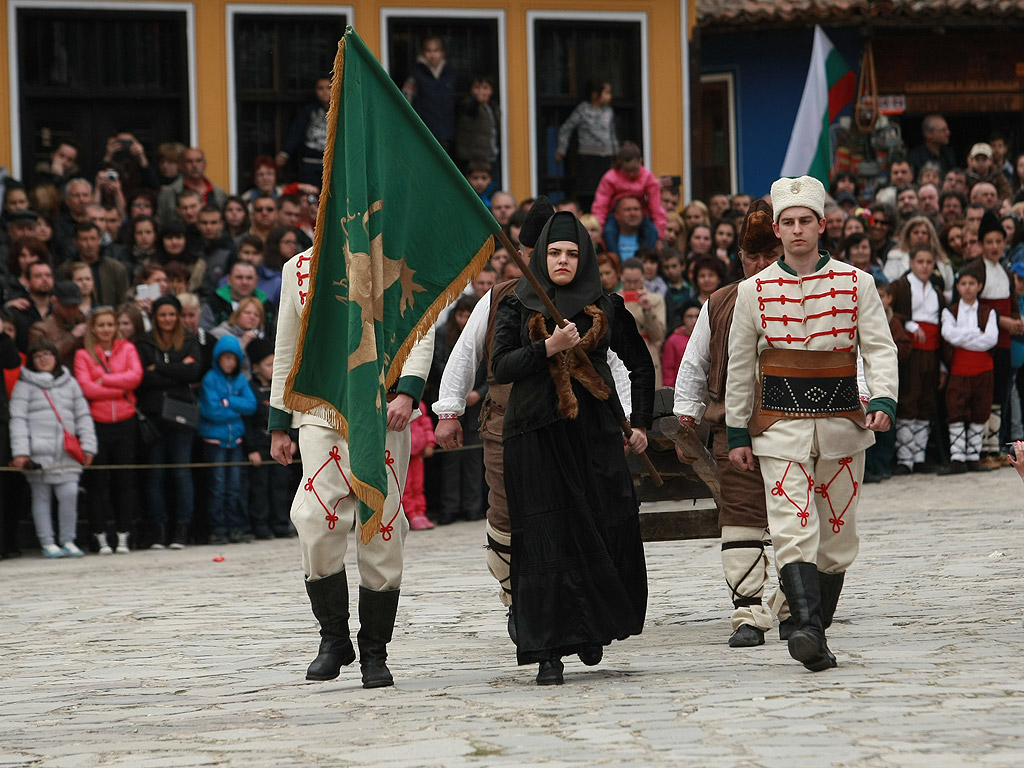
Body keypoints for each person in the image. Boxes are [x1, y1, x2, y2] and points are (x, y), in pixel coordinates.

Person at [726, 175, 898, 672]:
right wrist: (739, 432)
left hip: (844, 422)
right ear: (776, 229)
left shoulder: (856, 282)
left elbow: (879, 348)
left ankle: (813, 628)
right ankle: (805, 628)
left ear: (822, 224)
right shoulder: (751, 291)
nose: (797, 230)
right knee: (791, 526)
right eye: (788, 222)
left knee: (838, 538)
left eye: (806, 221)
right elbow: (741, 368)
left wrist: (883, 397)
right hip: (779, 425)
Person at [491, 211, 654, 685]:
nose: (562, 261)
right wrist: (549, 347)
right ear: (541, 256)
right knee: (547, 538)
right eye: (555, 253)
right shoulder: (518, 302)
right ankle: (548, 651)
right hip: (535, 435)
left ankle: (591, 629)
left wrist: (639, 423)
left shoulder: (606, 304)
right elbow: (501, 367)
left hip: (595, 435)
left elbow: (640, 367)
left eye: (572, 254)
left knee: (605, 524)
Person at [269, 248, 434, 689]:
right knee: (313, 517)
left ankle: (374, 652)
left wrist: (409, 390)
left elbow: (419, 322)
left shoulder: (390, 252)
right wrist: (278, 423)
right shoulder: (299, 268)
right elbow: (288, 344)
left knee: (381, 524)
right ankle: (333, 638)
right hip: (319, 409)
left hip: (381, 407)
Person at [674, 199, 788, 646]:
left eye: (769, 256)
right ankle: (746, 614)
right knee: (740, 518)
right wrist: (686, 422)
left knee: (795, 519)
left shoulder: (808, 295)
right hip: (732, 432)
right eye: (753, 257)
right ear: (740, 257)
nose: (761, 266)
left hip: (795, 428)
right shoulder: (719, 302)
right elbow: (693, 365)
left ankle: (793, 606)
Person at [10, 337, 97, 557]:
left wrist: (88, 447)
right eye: (38, 356)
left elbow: (83, 416)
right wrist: (21, 453)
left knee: (69, 495)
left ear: (55, 357)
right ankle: (47, 542)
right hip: (38, 454)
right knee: (41, 498)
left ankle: (68, 540)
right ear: (32, 360)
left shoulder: (70, 382)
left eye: (47, 354)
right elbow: (17, 419)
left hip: (67, 452)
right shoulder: (24, 384)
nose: (43, 359)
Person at [73, 306, 143, 554]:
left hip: (125, 420)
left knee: (124, 481)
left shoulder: (128, 349)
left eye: (110, 325)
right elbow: (87, 388)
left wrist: (105, 380)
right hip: (97, 422)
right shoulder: (83, 354)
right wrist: (119, 385)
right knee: (97, 482)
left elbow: (135, 377)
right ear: (93, 328)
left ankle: (123, 535)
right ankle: (99, 536)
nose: (106, 329)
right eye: (101, 325)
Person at [135, 295, 203, 549]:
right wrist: (177, 368)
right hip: (153, 414)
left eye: (172, 314)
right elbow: (143, 377)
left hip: (181, 414)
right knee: (156, 473)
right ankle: (158, 531)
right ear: (155, 317)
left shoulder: (189, 340)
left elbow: (194, 372)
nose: (167, 319)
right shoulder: (144, 342)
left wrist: (159, 368)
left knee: (181, 473)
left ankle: (182, 531)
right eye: (162, 314)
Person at [429, 294, 485, 525]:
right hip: (449, 404)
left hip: (477, 404)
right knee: (451, 458)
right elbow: (440, 367)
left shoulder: (484, 334)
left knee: (474, 457)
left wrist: (479, 392)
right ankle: (449, 508)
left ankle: (473, 507)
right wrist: (457, 392)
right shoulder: (443, 334)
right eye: (462, 314)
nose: (465, 320)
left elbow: (492, 369)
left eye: (470, 315)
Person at [939, 262, 999, 474]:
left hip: (983, 369)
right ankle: (957, 458)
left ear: (979, 286)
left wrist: (963, 335)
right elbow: (948, 335)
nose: (967, 287)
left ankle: (973, 456)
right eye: (963, 283)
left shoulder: (988, 312)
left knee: (980, 409)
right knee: (956, 409)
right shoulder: (950, 311)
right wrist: (976, 334)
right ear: (957, 287)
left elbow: (991, 339)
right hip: (959, 368)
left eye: (971, 283)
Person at [890, 246, 945, 475]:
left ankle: (919, 457)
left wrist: (942, 364)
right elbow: (888, 308)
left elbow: (942, 328)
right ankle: (905, 458)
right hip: (910, 353)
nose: (925, 266)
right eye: (920, 261)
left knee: (926, 402)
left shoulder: (937, 291)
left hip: (931, 353)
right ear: (911, 263)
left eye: (929, 262)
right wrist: (909, 324)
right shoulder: (901, 286)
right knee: (909, 400)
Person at [198, 334, 257, 544]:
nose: (229, 362)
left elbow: (251, 405)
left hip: (236, 442)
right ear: (217, 358)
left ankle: (234, 527)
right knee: (218, 487)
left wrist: (227, 401)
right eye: (225, 358)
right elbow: (211, 411)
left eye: (233, 358)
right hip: (215, 442)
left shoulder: (241, 379)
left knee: (234, 487)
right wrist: (235, 408)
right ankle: (218, 528)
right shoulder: (209, 379)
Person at [975, 211, 1024, 466]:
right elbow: (973, 307)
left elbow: (1013, 303)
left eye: (999, 242)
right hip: (983, 344)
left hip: (1004, 343)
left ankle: (994, 448)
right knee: (984, 394)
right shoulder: (975, 270)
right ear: (982, 244)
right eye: (990, 242)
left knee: (1000, 395)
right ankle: (982, 450)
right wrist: (1002, 321)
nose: (994, 247)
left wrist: (1016, 321)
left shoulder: (1005, 272)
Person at [243, 337, 295, 539]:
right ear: (255, 367)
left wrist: (295, 440)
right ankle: (261, 526)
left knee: (280, 485)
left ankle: (281, 524)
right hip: (260, 442)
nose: (273, 368)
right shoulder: (250, 388)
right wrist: (251, 449)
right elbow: (247, 422)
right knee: (260, 488)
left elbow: (294, 412)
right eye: (268, 365)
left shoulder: (282, 387)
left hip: (282, 442)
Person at [554, 80, 618, 211]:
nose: (610, 96)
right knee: (588, 191)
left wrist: (616, 153)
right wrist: (561, 150)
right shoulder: (583, 110)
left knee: (606, 190)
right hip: (588, 156)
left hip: (606, 156)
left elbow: (612, 134)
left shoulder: (609, 111)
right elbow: (566, 128)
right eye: (606, 92)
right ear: (595, 95)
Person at [591, 142, 667, 241]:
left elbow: (656, 206)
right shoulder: (610, 178)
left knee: (652, 231)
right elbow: (600, 206)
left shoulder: (647, 176)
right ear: (620, 166)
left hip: (640, 214)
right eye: (627, 171)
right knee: (609, 232)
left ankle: (648, 255)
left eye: (635, 170)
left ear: (641, 161)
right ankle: (615, 256)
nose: (631, 174)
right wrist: (598, 228)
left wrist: (660, 233)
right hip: (616, 215)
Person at [402, 37, 456, 153]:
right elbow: (405, 102)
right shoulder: (416, 75)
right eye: (429, 51)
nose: (432, 55)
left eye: (436, 51)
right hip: (424, 135)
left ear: (442, 53)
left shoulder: (450, 75)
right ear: (423, 53)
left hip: (447, 135)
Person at [619, 257, 666, 385]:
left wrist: (648, 310)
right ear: (621, 277)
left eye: (636, 281)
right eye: (628, 281)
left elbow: (658, 335)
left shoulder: (655, 300)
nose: (632, 285)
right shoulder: (614, 300)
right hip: (623, 351)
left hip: (647, 349)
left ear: (643, 278)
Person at [456, 74, 500, 180]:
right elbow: (469, 108)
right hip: (473, 159)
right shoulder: (468, 105)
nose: (481, 92)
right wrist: (476, 100)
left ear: (492, 91)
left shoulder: (494, 108)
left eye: (485, 88)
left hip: (491, 157)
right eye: (477, 88)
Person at [402, 402, 435, 531]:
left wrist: (430, 443)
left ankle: (420, 513)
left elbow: (425, 424)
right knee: (406, 486)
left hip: (417, 453)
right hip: (402, 453)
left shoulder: (420, 404)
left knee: (418, 485)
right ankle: (411, 514)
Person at [661, 299, 699, 388]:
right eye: (689, 317)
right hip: (680, 387)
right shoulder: (673, 340)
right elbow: (668, 369)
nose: (694, 320)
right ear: (683, 319)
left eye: (697, 316)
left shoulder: (709, 337)